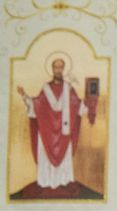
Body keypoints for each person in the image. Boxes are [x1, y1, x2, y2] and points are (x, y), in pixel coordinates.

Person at [14, 55, 101, 200]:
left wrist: (90, 99)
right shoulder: (46, 89)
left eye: (61, 67)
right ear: (52, 69)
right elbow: (37, 105)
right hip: (47, 133)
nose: (58, 70)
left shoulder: (69, 88)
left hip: (64, 134)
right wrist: (25, 96)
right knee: (46, 155)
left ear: (64, 69)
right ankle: (47, 181)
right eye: (56, 67)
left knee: (64, 156)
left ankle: (62, 181)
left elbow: (79, 107)